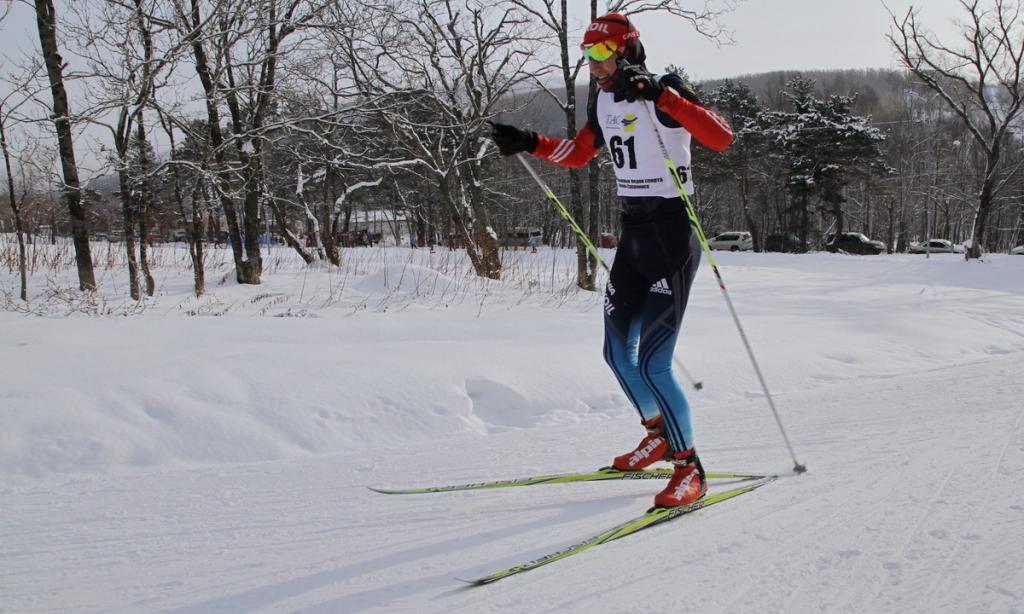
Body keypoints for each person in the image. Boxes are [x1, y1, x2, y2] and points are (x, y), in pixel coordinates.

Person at [489, 12, 732, 508]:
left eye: (601, 53)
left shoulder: (665, 89)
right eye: (587, 54)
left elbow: (721, 137)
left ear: (627, 50)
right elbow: (580, 153)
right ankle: (658, 434)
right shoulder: (602, 99)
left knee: (655, 364)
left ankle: (691, 470)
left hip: (672, 235)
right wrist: (530, 142)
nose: (594, 64)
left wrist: (663, 96)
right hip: (634, 236)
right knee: (617, 354)